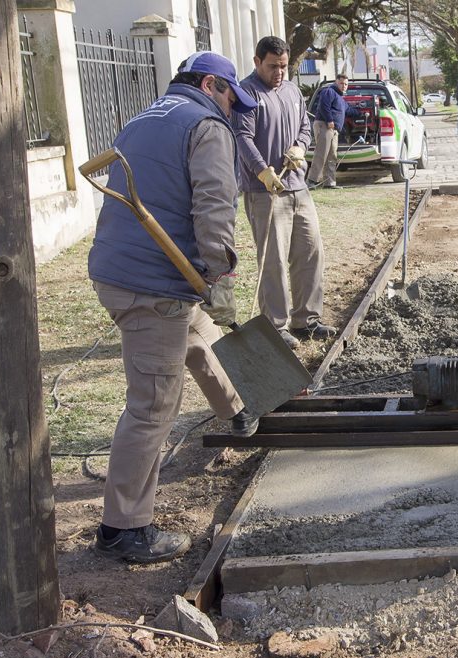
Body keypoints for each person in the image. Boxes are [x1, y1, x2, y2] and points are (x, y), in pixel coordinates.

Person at [88, 51, 260, 564]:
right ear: (211, 85)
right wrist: (219, 272)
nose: (234, 108)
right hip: (152, 284)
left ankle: (238, 408)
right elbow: (213, 204)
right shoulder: (207, 125)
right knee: (152, 404)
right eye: (232, 97)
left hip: (120, 271)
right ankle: (124, 527)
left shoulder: (143, 117)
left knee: (198, 333)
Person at [234, 36, 336, 349]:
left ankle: (307, 320)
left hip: (298, 186)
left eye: (282, 66)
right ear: (256, 62)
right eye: (271, 66)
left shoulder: (292, 90)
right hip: (265, 191)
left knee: (309, 252)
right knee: (273, 261)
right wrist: (261, 170)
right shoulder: (246, 94)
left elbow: (306, 127)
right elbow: (242, 136)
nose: (278, 72)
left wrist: (300, 147)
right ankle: (275, 327)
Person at [309, 73, 350, 190]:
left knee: (332, 156)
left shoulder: (341, 99)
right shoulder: (329, 91)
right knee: (321, 153)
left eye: (346, 84)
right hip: (325, 125)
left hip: (333, 129)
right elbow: (324, 106)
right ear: (336, 82)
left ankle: (329, 182)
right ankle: (311, 181)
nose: (344, 86)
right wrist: (329, 120)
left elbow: (349, 110)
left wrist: (362, 112)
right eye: (341, 83)